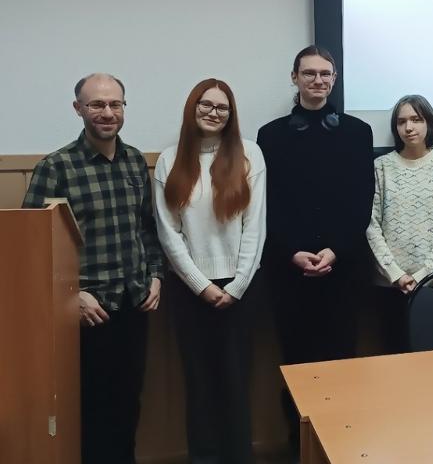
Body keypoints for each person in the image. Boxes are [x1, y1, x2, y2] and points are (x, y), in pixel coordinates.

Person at [22, 73, 163, 464]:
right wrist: (72, 296)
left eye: (115, 104)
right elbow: (33, 247)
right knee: (92, 411)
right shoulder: (56, 168)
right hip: (85, 314)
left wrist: (155, 274)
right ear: (78, 109)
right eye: (97, 104)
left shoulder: (134, 161)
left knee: (128, 405)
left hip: (133, 305)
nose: (107, 112)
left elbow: (147, 228)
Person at [256, 45, 374, 452]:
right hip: (290, 272)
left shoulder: (358, 132)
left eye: (325, 74)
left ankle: (341, 447)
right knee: (296, 365)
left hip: (343, 269)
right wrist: (292, 252)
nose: (318, 80)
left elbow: (361, 201)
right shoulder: (270, 135)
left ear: (334, 79)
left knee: (340, 362)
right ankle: (299, 448)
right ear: (295, 78)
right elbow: (268, 205)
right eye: (309, 73)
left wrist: (335, 250)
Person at [153, 79, 266, 464]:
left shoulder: (250, 155)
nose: (213, 113)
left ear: (231, 115)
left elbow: (255, 227)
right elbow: (169, 232)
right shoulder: (169, 160)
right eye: (206, 104)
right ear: (192, 107)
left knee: (235, 383)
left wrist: (237, 286)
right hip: (189, 290)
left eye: (222, 107)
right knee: (198, 385)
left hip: (240, 290)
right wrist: (201, 285)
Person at [367, 95, 433, 353]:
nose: (409, 127)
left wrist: (424, 274)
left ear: (429, 123)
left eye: (416, 119)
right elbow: (371, 224)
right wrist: (396, 274)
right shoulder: (381, 167)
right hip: (391, 285)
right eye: (401, 122)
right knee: (394, 358)